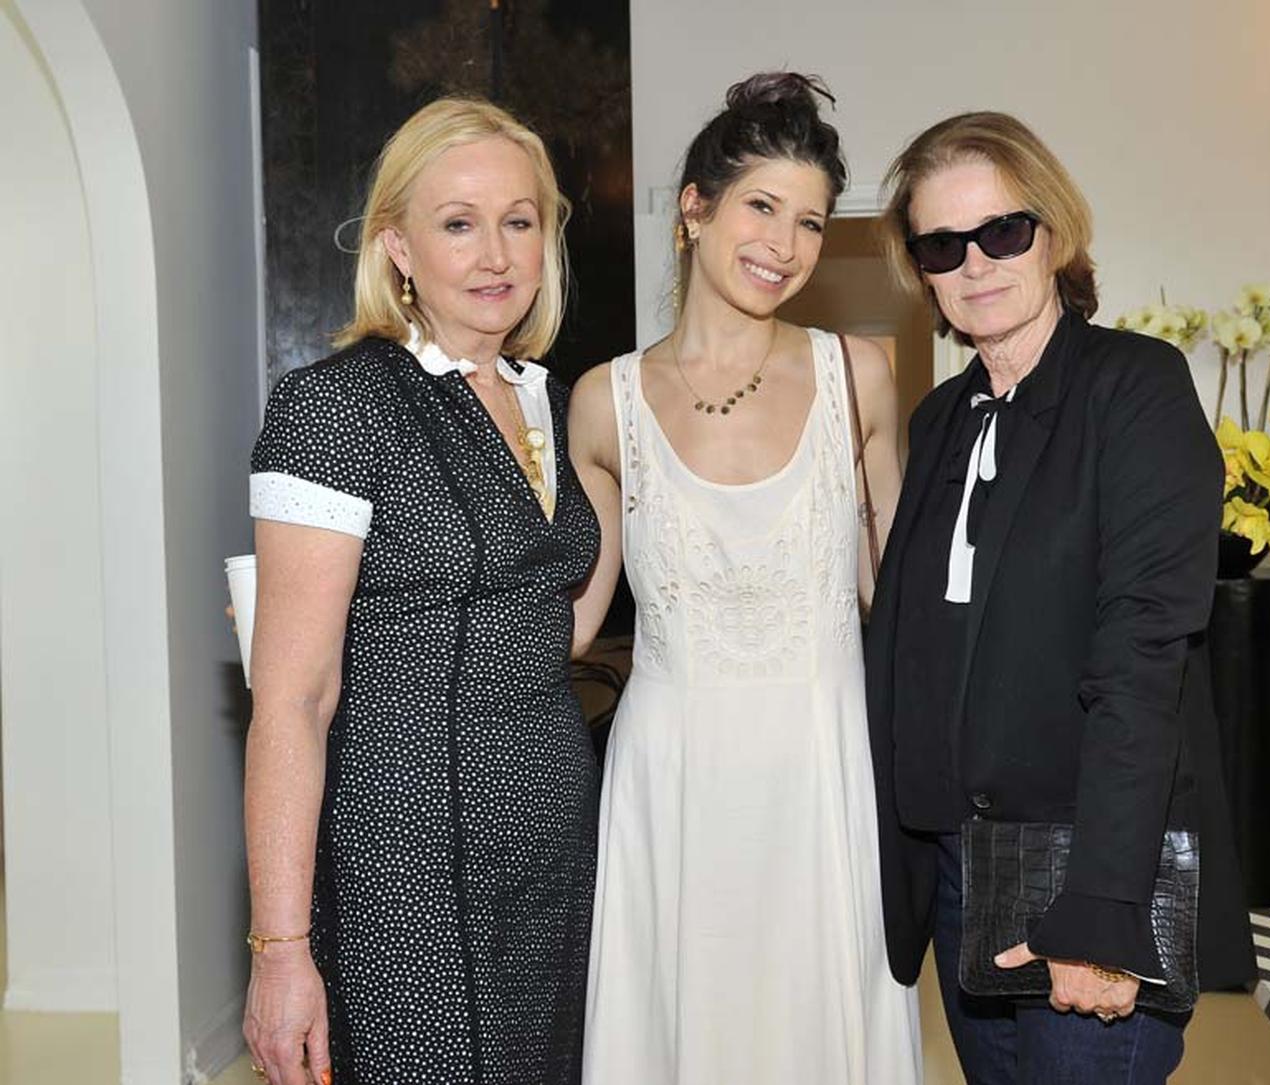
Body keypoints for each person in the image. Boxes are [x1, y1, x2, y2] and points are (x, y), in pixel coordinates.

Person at [866, 111, 1257, 1085]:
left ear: (1055, 231)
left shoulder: (1133, 386)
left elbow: (1144, 661)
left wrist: (1101, 908)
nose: (978, 263)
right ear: (920, 269)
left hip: (1087, 869)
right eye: (944, 244)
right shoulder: (941, 418)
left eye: (1004, 230)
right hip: (959, 871)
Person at [568, 72, 921, 1084]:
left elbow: (895, 598)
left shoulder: (859, 376)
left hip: (824, 775)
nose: (786, 243)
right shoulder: (606, 402)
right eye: (762, 206)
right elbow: (578, 618)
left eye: (810, 221)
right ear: (694, 208)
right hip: (673, 781)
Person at [242, 97, 599, 1085]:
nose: (496, 253)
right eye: (458, 222)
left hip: (560, 853)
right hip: (410, 867)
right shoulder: (338, 407)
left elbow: (559, 624)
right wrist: (279, 949)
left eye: (519, 220)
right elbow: (292, 700)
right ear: (397, 244)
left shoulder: (560, 406)